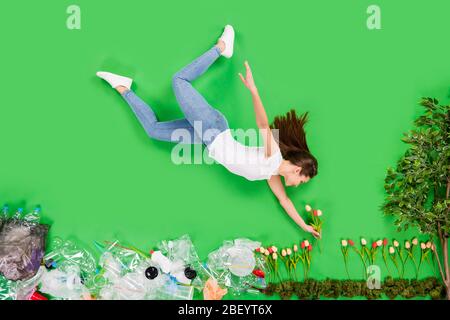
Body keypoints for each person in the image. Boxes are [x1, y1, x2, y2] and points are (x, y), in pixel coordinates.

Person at [97, 25, 320, 237]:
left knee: (154, 130)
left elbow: (284, 202)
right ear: (298, 169)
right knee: (179, 80)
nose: (297, 186)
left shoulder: (271, 174)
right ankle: (222, 47)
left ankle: (122, 87)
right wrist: (253, 90)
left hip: (207, 141)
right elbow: (263, 125)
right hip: (213, 128)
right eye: (302, 181)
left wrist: (305, 227)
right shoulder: (274, 156)